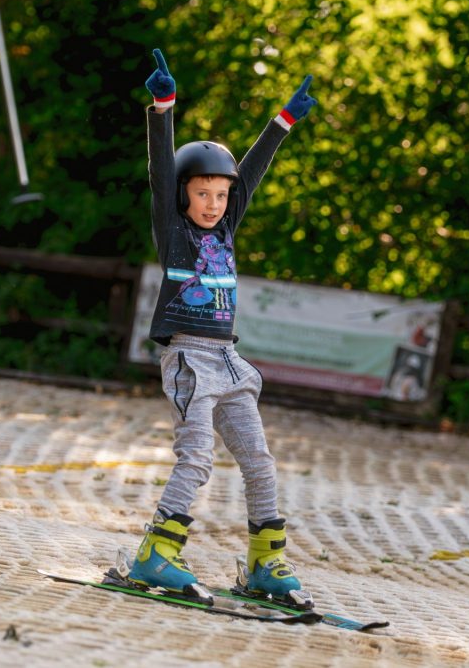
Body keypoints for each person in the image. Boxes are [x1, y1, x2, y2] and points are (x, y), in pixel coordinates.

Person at [126, 48, 317, 608]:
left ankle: (265, 561)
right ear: (185, 195)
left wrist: (282, 123)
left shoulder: (227, 227)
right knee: (198, 457)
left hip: (230, 361)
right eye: (202, 193)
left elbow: (252, 169)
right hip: (188, 357)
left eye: (221, 194)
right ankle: (156, 553)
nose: (213, 203)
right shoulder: (174, 231)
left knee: (259, 461)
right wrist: (162, 109)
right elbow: (161, 170)